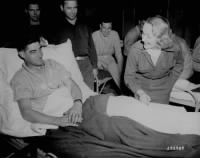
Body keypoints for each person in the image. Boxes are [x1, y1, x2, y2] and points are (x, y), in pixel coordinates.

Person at [10, 33, 83, 128]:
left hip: (76, 108)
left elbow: (72, 85)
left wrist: (77, 104)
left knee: (102, 105)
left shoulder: (52, 64)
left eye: (40, 48)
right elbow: (26, 112)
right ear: (22, 54)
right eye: (33, 52)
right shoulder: (20, 79)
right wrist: (58, 121)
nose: (40, 54)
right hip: (58, 118)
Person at [124, 15, 184, 104]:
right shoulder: (135, 50)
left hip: (163, 92)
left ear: (161, 38)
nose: (143, 39)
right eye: (143, 33)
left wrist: (170, 83)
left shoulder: (174, 48)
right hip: (140, 91)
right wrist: (140, 93)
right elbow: (129, 77)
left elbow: (179, 64)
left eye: (148, 36)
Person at [45, 0, 98, 90]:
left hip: (86, 66)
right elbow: (52, 50)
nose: (72, 11)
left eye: (75, 7)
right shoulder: (56, 28)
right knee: (72, 97)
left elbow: (91, 47)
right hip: (68, 66)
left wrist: (94, 67)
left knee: (89, 96)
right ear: (62, 8)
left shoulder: (85, 24)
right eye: (69, 8)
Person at [92, 17, 123, 88]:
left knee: (116, 71)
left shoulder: (115, 34)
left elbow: (119, 54)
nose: (106, 31)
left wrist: (119, 71)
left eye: (109, 28)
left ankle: (120, 92)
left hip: (109, 59)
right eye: (104, 28)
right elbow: (91, 54)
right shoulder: (94, 35)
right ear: (100, 26)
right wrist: (96, 64)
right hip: (97, 59)